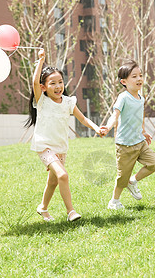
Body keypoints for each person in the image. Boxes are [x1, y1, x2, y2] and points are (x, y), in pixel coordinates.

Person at [26, 48, 104, 222]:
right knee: (63, 175)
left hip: (61, 147)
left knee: (53, 182)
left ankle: (43, 208)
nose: (58, 86)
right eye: (52, 83)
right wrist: (41, 60)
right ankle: (71, 212)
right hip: (44, 146)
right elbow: (33, 82)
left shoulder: (68, 102)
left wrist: (97, 128)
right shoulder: (42, 101)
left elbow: (83, 119)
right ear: (43, 87)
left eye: (60, 82)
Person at [100, 60, 155, 210]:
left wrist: (143, 131)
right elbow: (115, 115)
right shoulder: (123, 97)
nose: (139, 79)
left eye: (140, 75)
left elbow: (139, 118)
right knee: (122, 177)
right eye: (134, 76)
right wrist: (107, 127)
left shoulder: (141, 98)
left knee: (154, 164)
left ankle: (133, 181)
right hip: (125, 145)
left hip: (139, 142)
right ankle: (114, 202)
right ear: (124, 81)